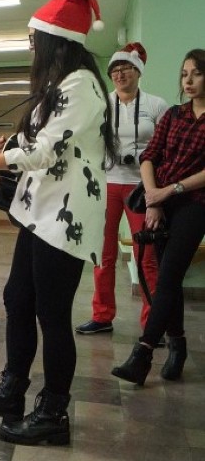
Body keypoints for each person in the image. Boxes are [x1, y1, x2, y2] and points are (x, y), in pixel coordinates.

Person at [0, 0, 116, 446]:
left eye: (33, 39)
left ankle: (54, 413)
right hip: (40, 212)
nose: (30, 48)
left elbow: (47, 151)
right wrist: (13, 143)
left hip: (65, 219)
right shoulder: (62, 85)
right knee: (17, 299)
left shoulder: (81, 84)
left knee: (52, 313)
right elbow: (44, 140)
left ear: (54, 40)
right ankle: (12, 390)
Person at [111, 49, 205, 385]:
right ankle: (177, 345)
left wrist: (170, 191)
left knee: (167, 276)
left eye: (196, 73)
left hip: (195, 204)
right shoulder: (175, 115)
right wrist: (153, 198)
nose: (189, 80)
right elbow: (150, 155)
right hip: (162, 201)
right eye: (184, 74)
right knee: (170, 278)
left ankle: (144, 353)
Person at [75, 43, 168, 335]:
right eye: (114, 70)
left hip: (142, 189)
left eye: (125, 68)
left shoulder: (156, 105)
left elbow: (166, 148)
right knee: (103, 255)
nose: (120, 74)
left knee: (146, 256)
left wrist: (159, 191)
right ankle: (102, 316)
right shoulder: (102, 104)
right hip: (107, 184)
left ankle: (151, 323)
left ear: (138, 71)